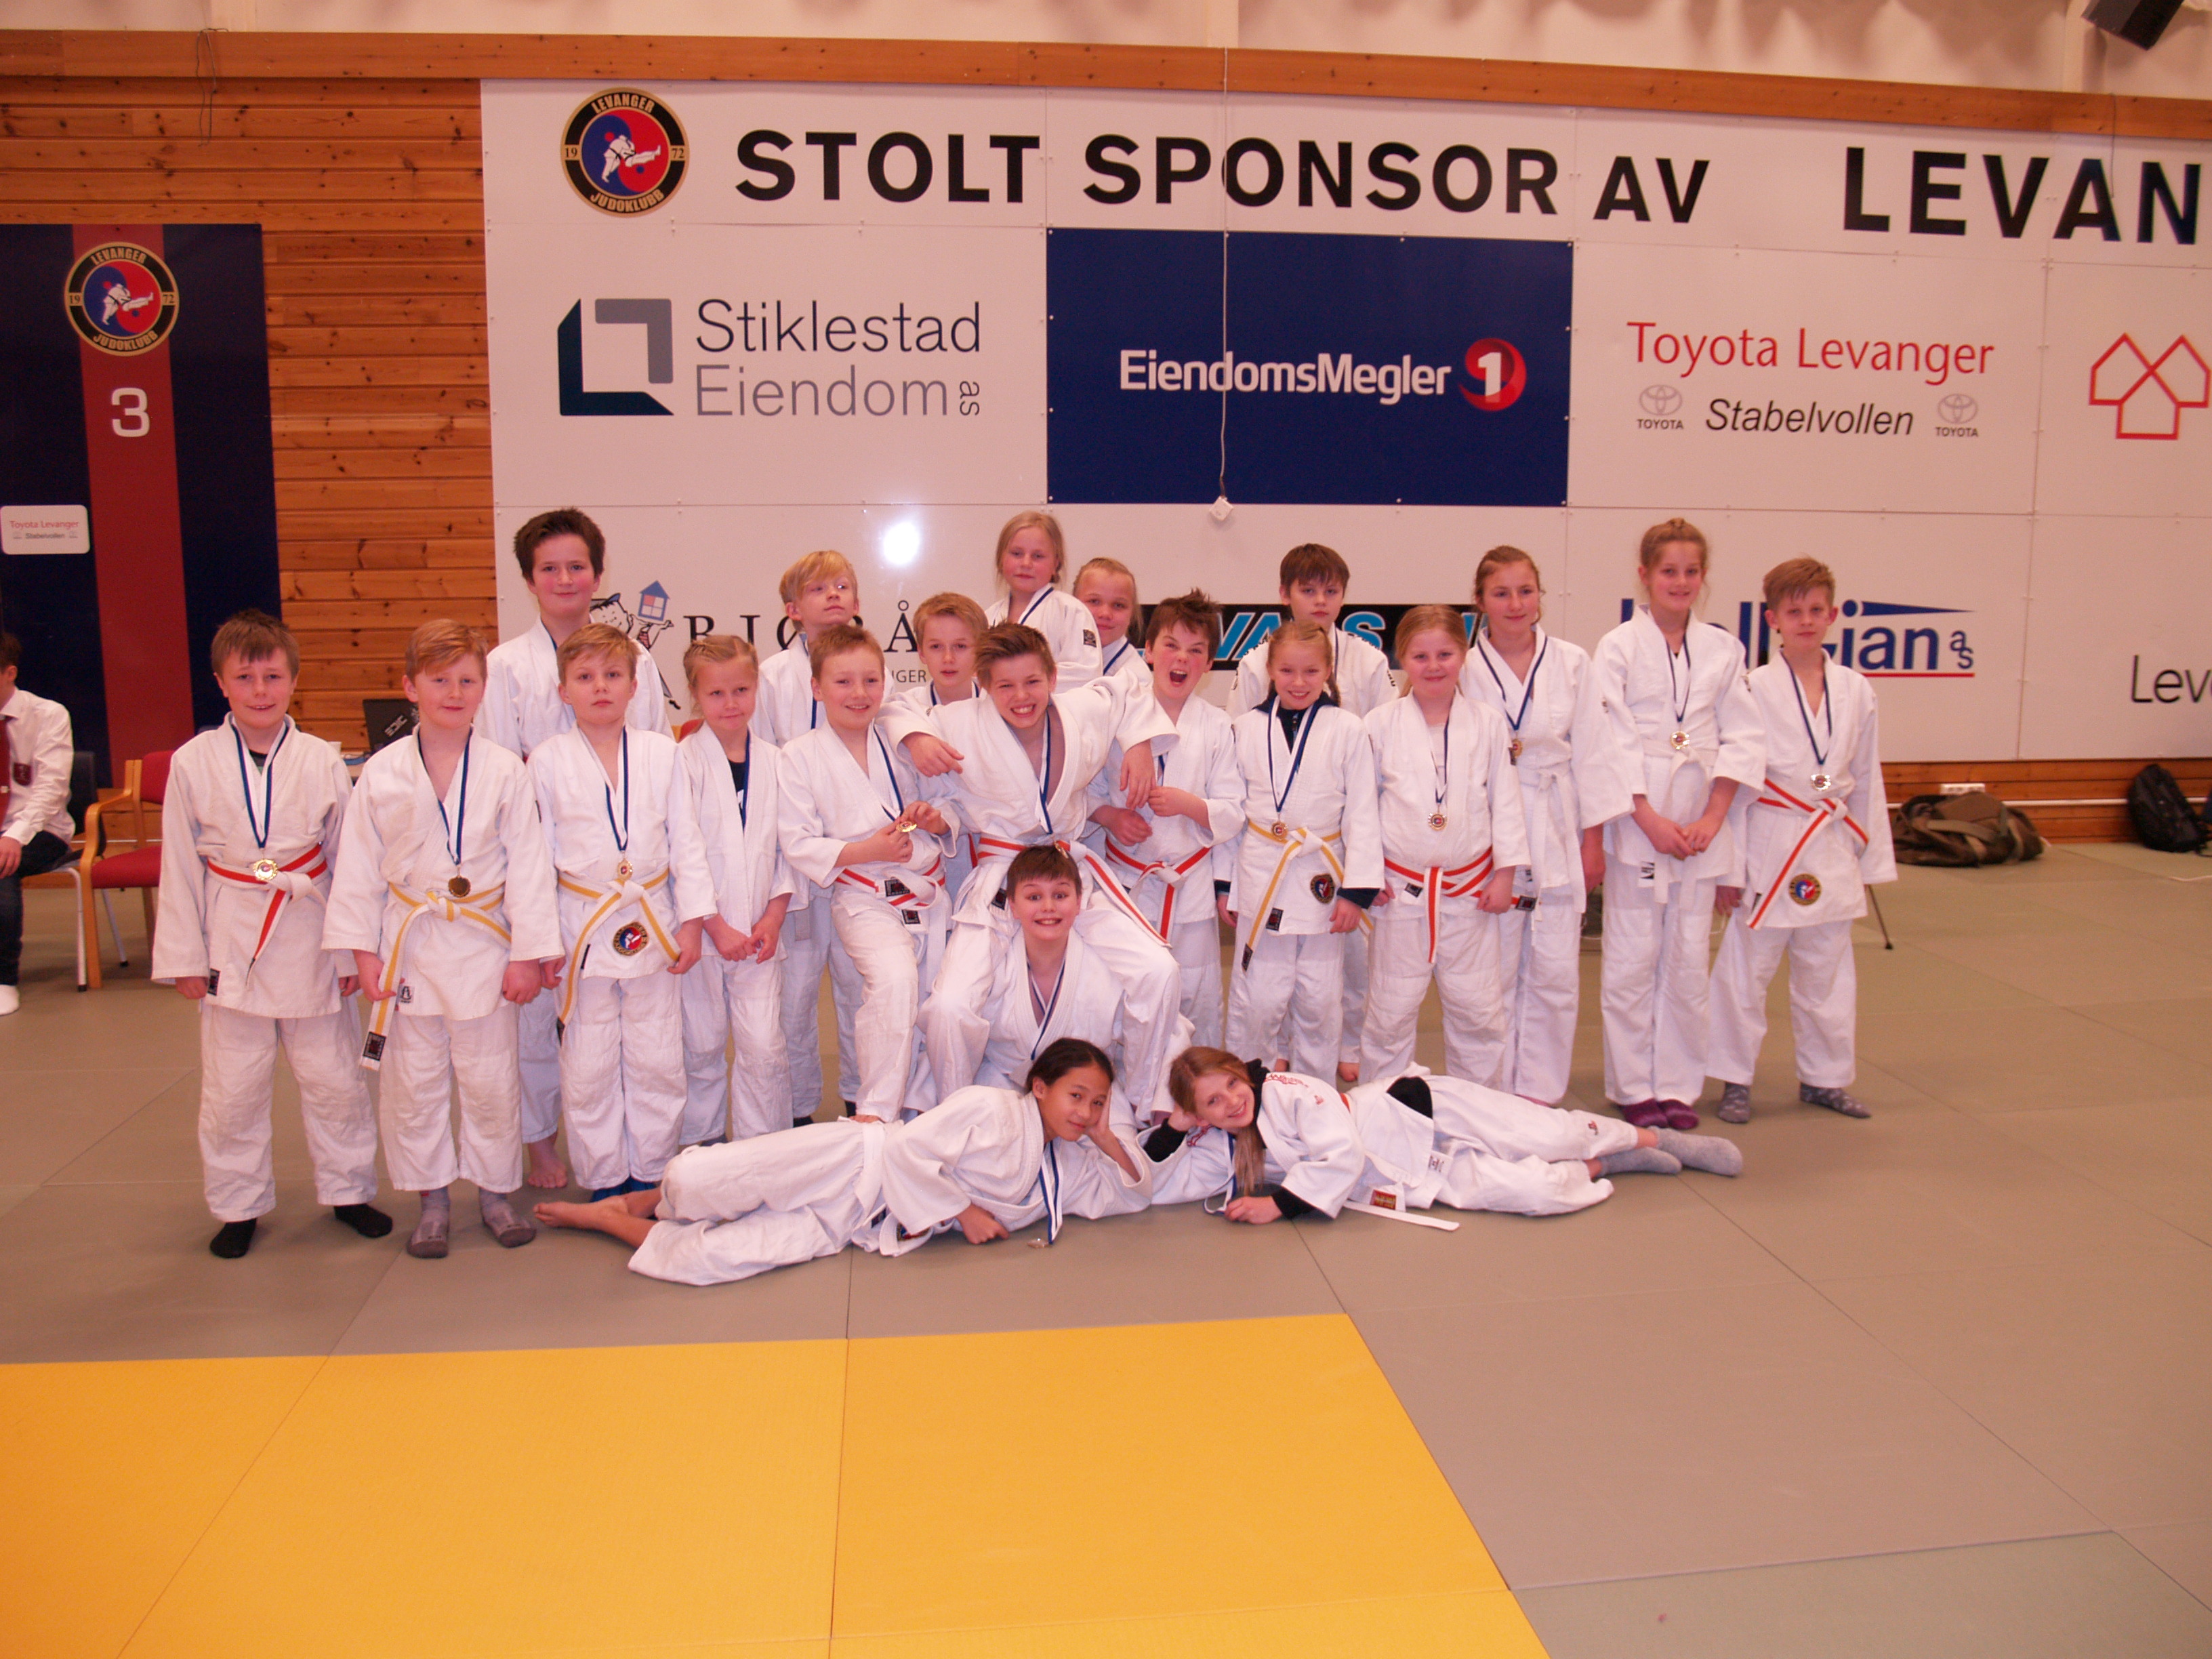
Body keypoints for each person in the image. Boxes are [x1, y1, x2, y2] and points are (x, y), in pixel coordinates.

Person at [534, 1037, 1151, 1286]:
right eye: (1076, 1097)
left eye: (1097, 1103)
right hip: (852, 1161)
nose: (1085, 1112)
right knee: (696, 1180)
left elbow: (1135, 1191)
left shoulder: (1059, 1170)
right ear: (1039, 1087)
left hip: (858, 1219)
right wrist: (963, 1211)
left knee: (715, 1259)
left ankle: (607, 1220)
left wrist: (1105, 1138)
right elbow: (908, 1149)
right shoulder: (990, 1107)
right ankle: (645, 1198)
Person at [152, 610, 386, 1258]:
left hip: (309, 928)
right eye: (245, 677)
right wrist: (184, 957)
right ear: (220, 683)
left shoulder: (320, 759)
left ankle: (349, 1191)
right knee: (234, 1089)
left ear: (294, 681)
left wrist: (352, 950)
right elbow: (179, 863)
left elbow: (347, 861)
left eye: (273, 677)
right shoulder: (192, 761)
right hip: (232, 933)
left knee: (334, 1079)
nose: (260, 690)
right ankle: (238, 1206)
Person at [323, 620, 561, 1258]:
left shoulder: (506, 770)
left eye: (467, 680)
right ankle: (432, 1199)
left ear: (484, 688)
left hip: (485, 945)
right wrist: (363, 954)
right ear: (410, 687)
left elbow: (529, 866)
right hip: (411, 945)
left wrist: (528, 955)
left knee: (490, 1079)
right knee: (414, 1081)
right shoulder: (381, 772)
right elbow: (357, 869)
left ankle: (494, 1192)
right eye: (439, 680)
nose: (454, 693)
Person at [889, 623, 1183, 1114]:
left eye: (1032, 682)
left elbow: (1128, 690)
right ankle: (955, 1115)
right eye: (1005, 685)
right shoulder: (959, 722)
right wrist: (917, 737)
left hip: (1069, 871)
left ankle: (1140, 1103)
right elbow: (892, 708)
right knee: (949, 1006)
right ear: (984, 685)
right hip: (1002, 878)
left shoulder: (1081, 709)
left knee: (1159, 970)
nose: (1021, 696)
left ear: (1053, 676)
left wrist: (1136, 743)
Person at [478, 508, 672, 1190]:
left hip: (622, 872)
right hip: (540, 863)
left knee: (634, 1034)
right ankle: (541, 1143)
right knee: (540, 1021)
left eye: (577, 566)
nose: (565, 579)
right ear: (529, 579)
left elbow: (654, 762)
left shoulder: (637, 659)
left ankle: (640, 1155)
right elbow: (497, 773)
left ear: (598, 573)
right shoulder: (505, 666)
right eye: (549, 568)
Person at [529, 624, 714, 1200]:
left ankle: (652, 1170)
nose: (600, 687)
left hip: (652, 917)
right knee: (588, 1061)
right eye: (585, 677)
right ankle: (605, 1177)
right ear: (563, 691)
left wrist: (692, 924)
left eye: (613, 675)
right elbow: (534, 859)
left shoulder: (663, 753)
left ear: (635, 686)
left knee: (657, 1051)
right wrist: (542, 943)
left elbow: (688, 842)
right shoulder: (546, 760)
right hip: (581, 922)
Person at [1708, 558, 1897, 1123]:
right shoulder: (1752, 688)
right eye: (1795, 612)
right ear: (1773, 619)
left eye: (1817, 610)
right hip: (1769, 842)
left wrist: (1869, 861)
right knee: (1744, 973)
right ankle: (1734, 1080)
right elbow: (1735, 780)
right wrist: (1729, 869)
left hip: (1828, 842)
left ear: (1833, 615)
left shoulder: (1856, 689)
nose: (1807, 621)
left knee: (1828, 973)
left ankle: (1825, 1079)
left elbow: (1866, 775)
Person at [1592, 518, 1765, 1131]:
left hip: (1701, 820)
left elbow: (1745, 736)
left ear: (1704, 577)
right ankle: (1633, 1085)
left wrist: (1715, 815)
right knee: (1631, 960)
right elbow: (1607, 740)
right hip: (1639, 820)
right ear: (1645, 575)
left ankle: (1678, 1085)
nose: (1681, 581)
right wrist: (1646, 818)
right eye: (1669, 571)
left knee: (1689, 962)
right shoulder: (1617, 647)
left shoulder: (1724, 649)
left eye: (1692, 572)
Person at [1146, 1048, 1742, 1223]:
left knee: (1546, 1133)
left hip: (1420, 1111)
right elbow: (1159, 1183)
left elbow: (1340, 1153)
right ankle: (1609, 1165)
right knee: (1529, 1195)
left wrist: (1278, 1204)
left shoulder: (1286, 1090)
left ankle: (1653, 1141)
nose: (1232, 1101)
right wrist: (1175, 1128)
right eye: (1212, 1103)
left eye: (1231, 1085)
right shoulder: (1222, 1143)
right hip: (1400, 1174)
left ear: (1241, 1072)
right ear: (1200, 1115)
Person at [1460, 548, 1630, 1105]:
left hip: (1558, 820)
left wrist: (1593, 842)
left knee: (1555, 971)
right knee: (1492, 970)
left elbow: (1596, 755)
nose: (1516, 604)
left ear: (1540, 596)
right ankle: (1491, 1094)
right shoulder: (1462, 667)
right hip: (1490, 828)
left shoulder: (1573, 662)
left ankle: (1541, 1095)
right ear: (1479, 601)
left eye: (1526, 591)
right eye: (1501, 593)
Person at [1228, 544, 1395, 1085]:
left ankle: (1317, 1093)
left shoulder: (1349, 727)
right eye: (1287, 671)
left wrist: (1359, 888)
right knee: (1258, 995)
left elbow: (1364, 809)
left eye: (1310, 672)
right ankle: (1252, 1085)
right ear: (1271, 670)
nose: (1298, 681)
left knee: (1323, 997)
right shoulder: (1247, 725)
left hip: (1326, 869)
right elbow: (1232, 803)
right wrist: (1226, 883)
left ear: (1328, 672)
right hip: (1263, 869)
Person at [777, 625, 957, 1124]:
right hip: (863, 897)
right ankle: (875, 1114)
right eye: (843, 682)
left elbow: (950, 803)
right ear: (817, 688)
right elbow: (798, 842)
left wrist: (935, 819)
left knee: (930, 1004)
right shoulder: (798, 756)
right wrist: (866, 850)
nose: (859, 693)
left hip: (927, 891)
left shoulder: (904, 741)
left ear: (886, 682)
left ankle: (925, 1113)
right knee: (893, 984)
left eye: (870, 680)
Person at [1361, 607, 1529, 1088]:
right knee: (1389, 1012)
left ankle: (1480, 1111)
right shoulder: (1378, 723)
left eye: (1445, 654)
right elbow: (1362, 808)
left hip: (1470, 890)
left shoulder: (1488, 723)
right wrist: (1367, 876)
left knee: (1479, 1012)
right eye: (1420, 656)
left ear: (1464, 655)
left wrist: (1506, 875)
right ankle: (1384, 1111)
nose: (1434, 666)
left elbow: (1505, 801)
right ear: (1402, 659)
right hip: (1400, 891)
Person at [1091, 590, 1243, 1048]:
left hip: (1189, 887)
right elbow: (1081, 793)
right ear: (1149, 651)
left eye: (1196, 651)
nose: (1182, 659)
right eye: (1172, 645)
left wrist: (1187, 804)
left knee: (1196, 998)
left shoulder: (1217, 725)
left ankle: (1196, 1087)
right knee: (1124, 995)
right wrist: (1111, 816)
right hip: (1125, 883)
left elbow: (1233, 812)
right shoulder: (1115, 715)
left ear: (1209, 664)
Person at [924, 844, 1179, 1116]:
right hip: (1004, 1084)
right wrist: (956, 1109)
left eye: (1060, 895)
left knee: (1161, 969)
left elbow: (1161, 997)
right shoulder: (993, 966)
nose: (1048, 907)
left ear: (1079, 901)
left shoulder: (1105, 969)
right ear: (1012, 906)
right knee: (948, 1004)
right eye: (1034, 897)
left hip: (1086, 1089)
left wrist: (1143, 1094)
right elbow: (950, 1010)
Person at [752, 549, 865, 1122]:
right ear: (793, 609)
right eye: (820, 589)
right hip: (794, 859)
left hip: (859, 858)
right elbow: (760, 764)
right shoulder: (773, 676)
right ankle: (797, 1113)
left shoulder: (869, 665)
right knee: (794, 999)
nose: (834, 596)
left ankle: (861, 1103)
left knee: (859, 991)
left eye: (843, 586)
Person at [675, 634, 796, 1145]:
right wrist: (713, 924)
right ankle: (701, 1146)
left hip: (760, 932)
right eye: (716, 693)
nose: (730, 703)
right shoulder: (683, 760)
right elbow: (682, 849)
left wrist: (773, 917)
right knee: (700, 1045)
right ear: (695, 696)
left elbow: (790, 848)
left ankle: (761, 1149)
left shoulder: (778, 761)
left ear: (756, 689)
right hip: (704, 932)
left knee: (764, 1046)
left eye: (741, 690)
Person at [888, 591, 987, 903]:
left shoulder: (999, 705)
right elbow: (886, 714)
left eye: (960, 646)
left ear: (982, 648)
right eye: (936, 647)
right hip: (937, 852)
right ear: (920, 652)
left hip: (995, 848)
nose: (948, 659)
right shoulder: (906, 708)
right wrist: (916, 737)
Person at [0, 632, 77, 1017]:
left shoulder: (48, 715)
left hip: (41, 830)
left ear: (9, 673)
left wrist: (14, 835)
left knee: (2, 867)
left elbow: (51, 789)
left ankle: (4, 979)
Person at [983, 510, 1102, 689]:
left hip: (1053, 707)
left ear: (1056, 564)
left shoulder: (1070, 611)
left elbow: (1087, 675)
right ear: (1001, 559)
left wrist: (1018, 680)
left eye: (1038, 556)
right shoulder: (987, 617)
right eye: (1017, 553)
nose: (1026, 563)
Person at [1073, 556, 1145, 682]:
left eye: (1118, 605)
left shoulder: (1137, 679)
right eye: (1094, 601)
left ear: (1131, 614)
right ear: (1073, 604)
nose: (1105, 614)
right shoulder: (1053, 653)